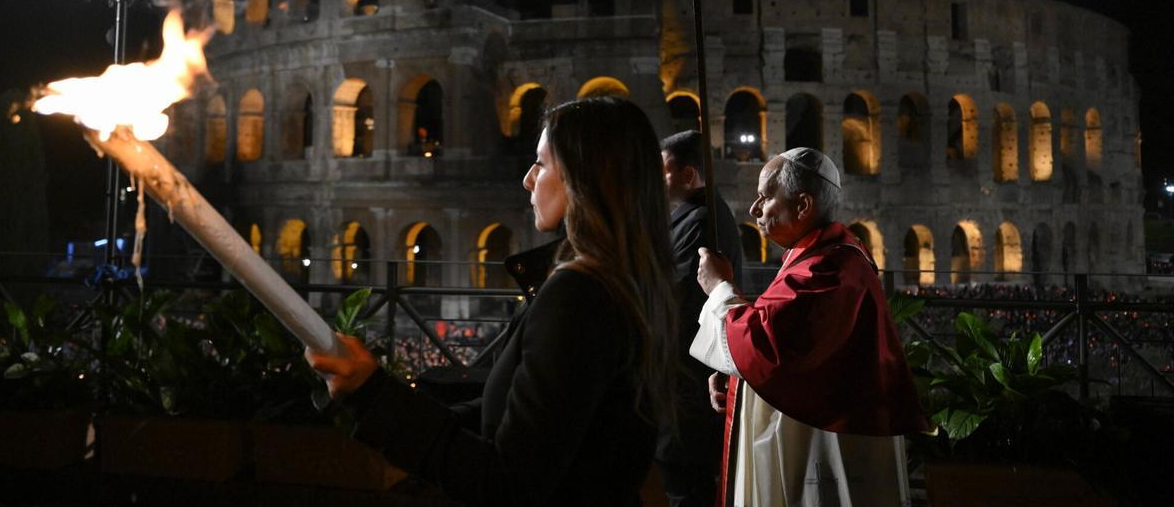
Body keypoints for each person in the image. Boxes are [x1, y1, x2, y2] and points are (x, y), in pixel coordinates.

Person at [307, 97, 680, 506]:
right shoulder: (627, 280)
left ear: (583, 177)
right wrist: (380, 394)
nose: (527, 179)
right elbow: (508, 418)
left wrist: (374, 394)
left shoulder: (579, 296)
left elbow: (508, 483)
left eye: (541, 164)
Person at [692, 148, 927, 507]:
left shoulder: (827, 268)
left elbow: (765, 345)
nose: (755, 209)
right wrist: (738, 378)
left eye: (766, 196)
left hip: (824, 445)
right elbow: (784, 349)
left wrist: (719, 289)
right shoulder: (822, 257)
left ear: (803, 206)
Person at [657, 130, 744, 506]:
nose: (657, 180)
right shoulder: (699, 214)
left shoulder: (700, 220)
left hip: (687, 388)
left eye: (664, 171)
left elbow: (671, 299)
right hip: (689, 383)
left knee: (687, 491)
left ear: (689, 176)